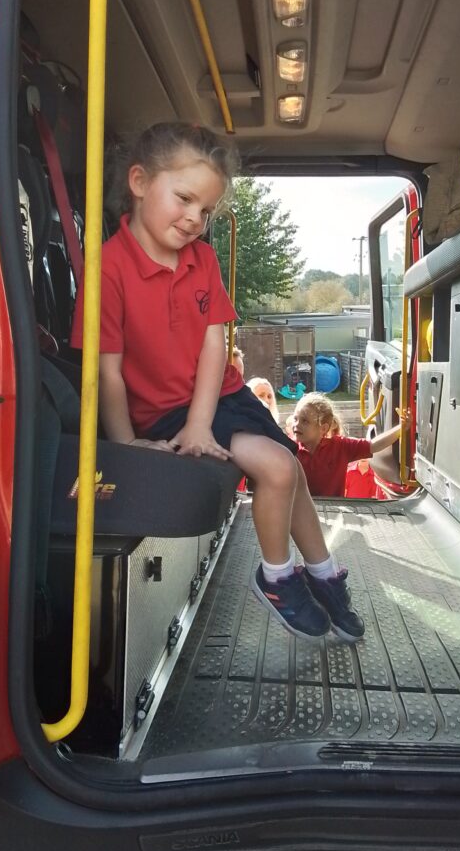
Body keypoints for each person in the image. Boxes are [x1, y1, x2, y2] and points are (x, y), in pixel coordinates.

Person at [70, 121, 363, 642]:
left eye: (205, 211)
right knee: (277, 467)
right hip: (164, 412)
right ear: (138, 182)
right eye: (184, 199)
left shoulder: (202, 259)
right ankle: (276, 576)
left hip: (219, 396)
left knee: (289, 466)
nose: (194, 220)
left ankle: (321, 571)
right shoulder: (108, 269)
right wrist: (127, 447)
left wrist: (204, 421)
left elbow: (213, 345)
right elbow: (107, 371)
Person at [292, 392, 410, 498]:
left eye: (305, 421)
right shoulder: (289, 449)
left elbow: (374, 445)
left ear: (323, 428)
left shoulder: (340, 447)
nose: (296, 425)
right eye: (295, 419)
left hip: (333, 511)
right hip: (301, 511)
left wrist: (401, 428)